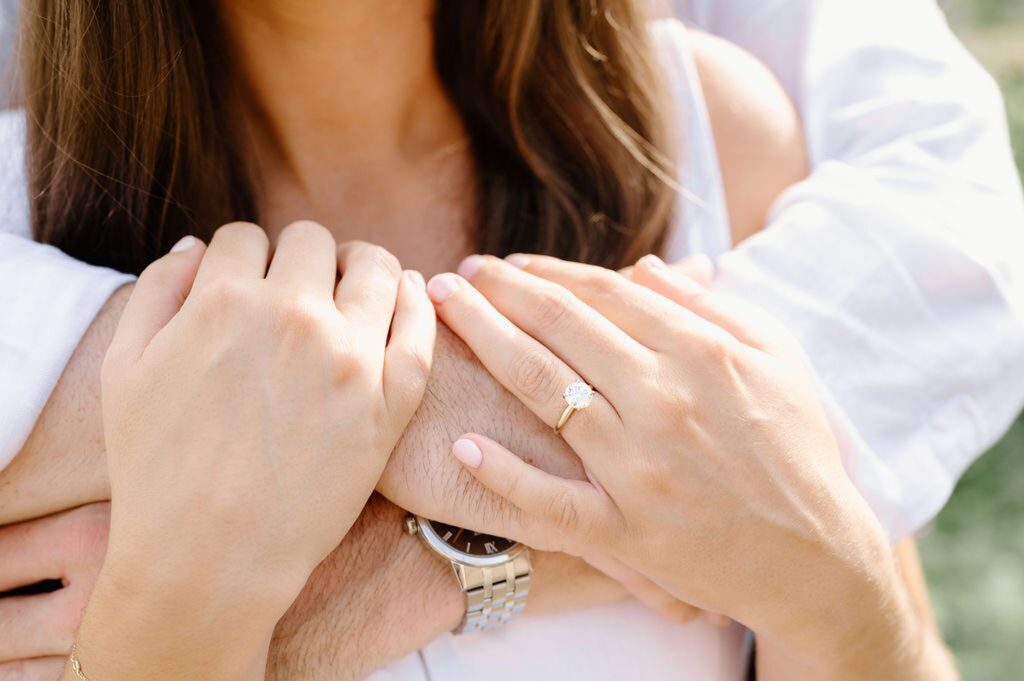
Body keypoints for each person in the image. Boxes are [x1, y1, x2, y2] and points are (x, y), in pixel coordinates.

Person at [0, 0, 1021, 678]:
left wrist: (828, 594)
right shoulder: (23, 242)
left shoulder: (710, 133)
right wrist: (179, 619)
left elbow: (893, 643)